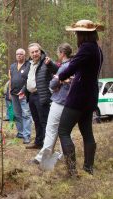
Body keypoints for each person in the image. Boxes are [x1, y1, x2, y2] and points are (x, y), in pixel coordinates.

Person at [57, 20, 104, 177]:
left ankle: (72, 171)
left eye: (77, 33)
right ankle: (88, 169)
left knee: (63, 130)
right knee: (87, 133)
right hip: (90, 97)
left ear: (82, 34)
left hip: (78, 97)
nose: (76, 35)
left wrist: (60, 76)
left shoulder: (86, 49)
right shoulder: (97, 49)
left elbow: (70, 69)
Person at [33, 43, 73, 164]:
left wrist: (57, 80)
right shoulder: (74, 65)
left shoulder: (64, 67)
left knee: (51, 130)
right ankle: (65, 155)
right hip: (70, 102)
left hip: (59, 101)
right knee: (64, 131)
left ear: (62, 53)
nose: (58, 55)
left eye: (58, 53)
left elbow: (52, 84)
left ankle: (42, 158)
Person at [25, 43, 58, 149]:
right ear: (29, 54)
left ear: (40, 51)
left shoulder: (46, 61)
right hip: (31, 96)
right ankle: (38, 142)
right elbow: (28, 79)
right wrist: (24, 90)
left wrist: (50, 64)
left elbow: (56, 70)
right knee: (36, 120)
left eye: (36, 51)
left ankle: (47, 145)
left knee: (44, 121)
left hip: (42, 96)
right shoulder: (29, 64)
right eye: (32, 52)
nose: (35, 54)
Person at [9, 48, 32, 144]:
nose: (19, 56)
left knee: (26, 114)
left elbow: (29, 80)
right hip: (14, 94)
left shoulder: (28, 65)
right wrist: (9, 91)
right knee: (17, 114)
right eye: (17, 54)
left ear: (25, 55)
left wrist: (23, 90)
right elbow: (11, 80)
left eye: (21, 54)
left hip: (24, 94)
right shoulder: (13, 66)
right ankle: (20, 132)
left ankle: (27, 135)